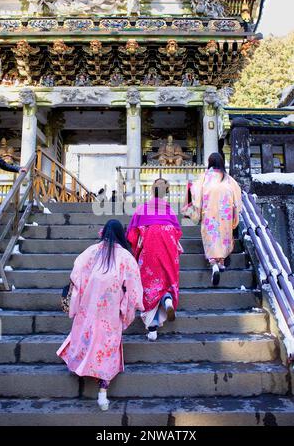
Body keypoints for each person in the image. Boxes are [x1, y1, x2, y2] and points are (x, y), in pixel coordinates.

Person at [57, 220, 144, 411]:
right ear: (121, 234)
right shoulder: (126, 258)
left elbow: (76, 275)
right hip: (110, 313)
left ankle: (82, 367)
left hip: (89, 308)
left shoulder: (91, 252)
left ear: (103, 232)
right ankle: (103, 393)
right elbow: (134, 291)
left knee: (86, 338)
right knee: (108, 347)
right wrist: (127, 309)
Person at [127, 178, 182, 342]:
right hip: (168, 250)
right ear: (166, 192)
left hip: (150, 249)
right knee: (165, 279)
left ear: (152, 191)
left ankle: (152, 328)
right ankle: (167, 299)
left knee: (149, 284)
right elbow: (178, 232)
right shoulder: (170, 211)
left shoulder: (141, 209)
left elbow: (131, 234)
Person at [183, 152, 242, 286]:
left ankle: (213, 263)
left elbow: (194, 190)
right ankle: (220, 262)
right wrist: (234, 210)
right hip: (225, 214)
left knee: (211, 236)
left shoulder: (205, 177)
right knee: (224, 236)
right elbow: (237, 192)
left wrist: (190, 191)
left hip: (209, 213)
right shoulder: (227, 178)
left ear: (210, 162)